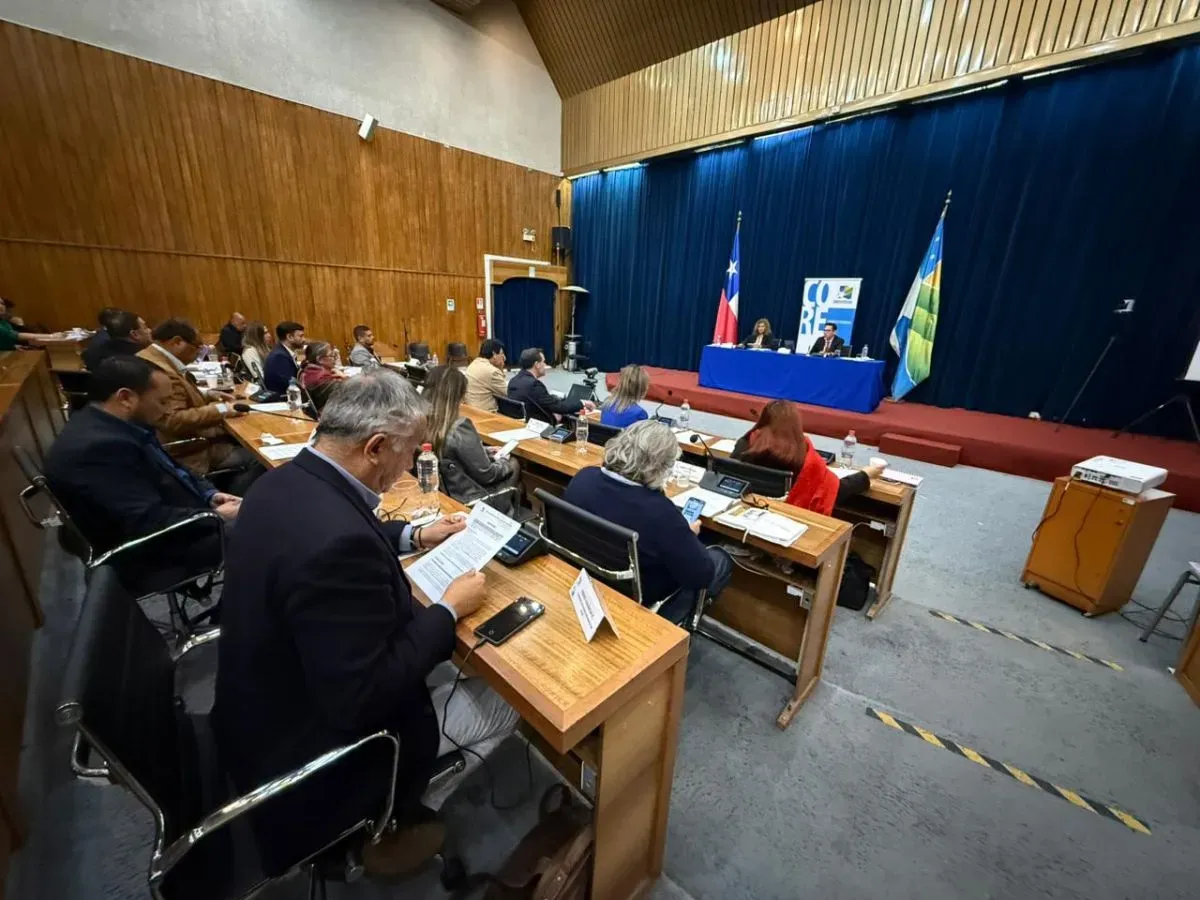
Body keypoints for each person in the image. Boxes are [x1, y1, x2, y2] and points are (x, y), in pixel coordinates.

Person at [212, 368, 517, 878]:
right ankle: (385, 824)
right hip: (315, 747)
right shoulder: (336, 547)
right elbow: (365, 695)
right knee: (507, 702)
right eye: (409, 452)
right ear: (375, 447)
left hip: (258, 705)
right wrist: (448, 609)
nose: (410, 465)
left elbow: (345, 523)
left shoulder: (278, 482)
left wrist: (415, 536)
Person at [43, 357, 239, 587]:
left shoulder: (113, 425)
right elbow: (147, 521)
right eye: (162, 401)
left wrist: (210, 494)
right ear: (126, 398)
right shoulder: (98, 448)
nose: (168, 409)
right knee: (270, 523)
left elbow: (174, 469)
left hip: (179, 517)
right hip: (156, 550)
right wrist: (216, 516)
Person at [562, 420, 732, 622]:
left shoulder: (583, 477)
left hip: (582, 576)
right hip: (634, 598)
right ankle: (667, 627)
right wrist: (688, 536)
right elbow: (700, 576)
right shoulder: (661, 513)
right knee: (719, 560)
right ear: (662, 466)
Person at [137, 318, 262, 494]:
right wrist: (221, 409)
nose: (199, 352)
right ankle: (234, 502)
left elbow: (179, 396)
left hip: (175, 444)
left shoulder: (151, 357)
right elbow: (173, 419)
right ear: (177, 342)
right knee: (258, 457)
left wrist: (207, 394)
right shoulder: (161, 370)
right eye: (198, 346)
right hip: (188, 450)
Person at [731, 400, 884, 514]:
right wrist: (865, 475)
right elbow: (833, 491)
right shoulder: (803, 457)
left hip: (742, 512)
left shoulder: (745, 445)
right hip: (787, 518)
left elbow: (727, 471)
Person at [424, 365, 520, 513]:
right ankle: (506, 515)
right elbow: (488, 475)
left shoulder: (424, 423)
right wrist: (503, 460)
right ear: (459, 395)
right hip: (474, 501)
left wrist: (484, 450)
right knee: (514, 463)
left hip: (449, 493)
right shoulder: (460, 427)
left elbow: (451, 452)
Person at [507, 348, 593, 423]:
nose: (545, 365)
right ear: (537, 365)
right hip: (537, 428)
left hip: (519, 423)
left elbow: (536, 404)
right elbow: (560, 408)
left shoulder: (513, 381)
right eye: (543, 362)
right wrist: (583, 403)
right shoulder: (534, 385)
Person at [81, 310, 151, 370]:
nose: (150, 330)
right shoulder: (140, 360)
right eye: (145, 327)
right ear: (134, 334)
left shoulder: (102, 346)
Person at [298, 340, 346, 411]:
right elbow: (351, 392)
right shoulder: (323, 378)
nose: (335, 359)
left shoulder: (309, 369)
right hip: (331, 413)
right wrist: (345, 378)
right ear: (319, 359)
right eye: (332, 356)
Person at [464, 339, 509, 413]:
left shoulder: (473, 364)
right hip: (485, 414)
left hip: (471, 411)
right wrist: (500, 367)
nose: (504, 358)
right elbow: (508, 393)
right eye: (502, 354)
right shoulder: (492, 372)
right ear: (494, 354)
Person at [263, 320, 305, 393]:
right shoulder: (279, 357)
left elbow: (301, 367)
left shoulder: (283, 350)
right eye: (300, 336)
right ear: (289, 337)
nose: (304, 339)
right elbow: (292, 384)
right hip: (285, 396)